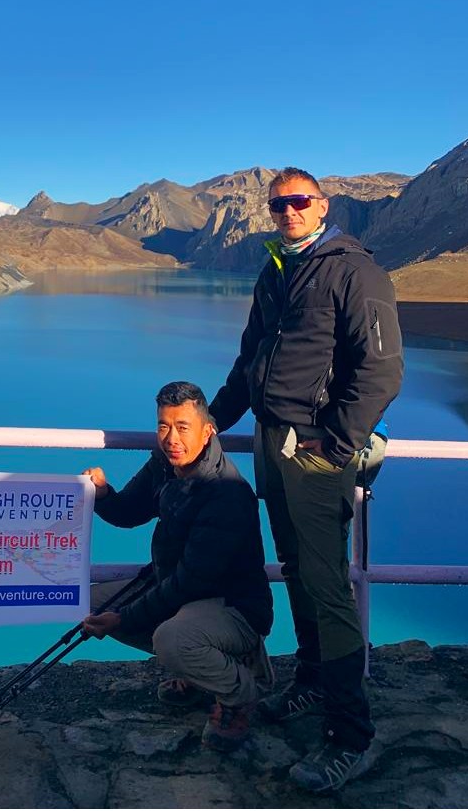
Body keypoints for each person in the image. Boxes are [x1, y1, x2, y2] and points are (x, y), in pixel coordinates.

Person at [209, 167, 403, 793]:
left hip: (315, 449)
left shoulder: (354, 271)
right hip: (272, 441)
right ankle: (312, 683)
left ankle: (350, 736)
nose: (288, 211)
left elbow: (380, 371)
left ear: (323, 206)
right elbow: (249, 362)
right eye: (278, 205)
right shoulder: (277, 270)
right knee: (295, 568)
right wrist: (213, 421)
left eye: (299, 202)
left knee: (327, 586)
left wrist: (338, 443)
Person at [80, 381, 274, 752]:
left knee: (170, 639)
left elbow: (192, 581)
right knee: (91, 603)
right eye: (163, 426)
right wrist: (104, 494)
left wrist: (124, 619)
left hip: (233, 608)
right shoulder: (165, 464)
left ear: (207, 431)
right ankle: (198, 670)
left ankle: (242, 690)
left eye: (182, 427)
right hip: (185, 597)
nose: (171, 438)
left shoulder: (227, 493)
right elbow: (130, 511)